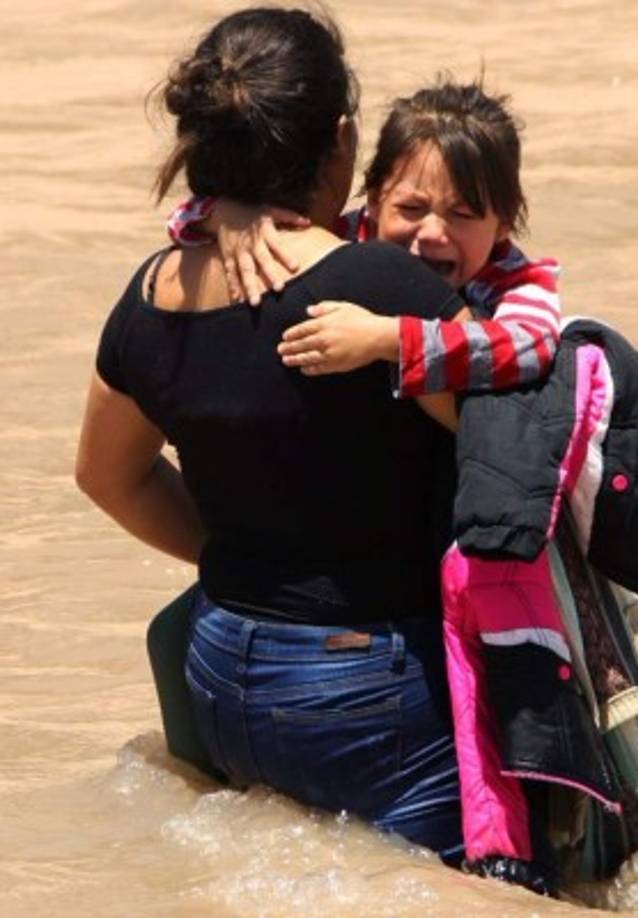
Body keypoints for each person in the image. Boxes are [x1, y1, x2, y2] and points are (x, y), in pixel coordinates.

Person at [75, 6, 467, 863]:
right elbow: (515, 447)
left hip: (218, 676)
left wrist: (252, 559)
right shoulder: (381, 289)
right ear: (341, 139)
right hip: (369, 692)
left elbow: (110, 479)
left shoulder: (149, 296)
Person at [166, 79, 563, 403]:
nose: (431, 232)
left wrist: (386, 339)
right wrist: (227, 217)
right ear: (374, 198)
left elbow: (532, 346)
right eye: (411, 207)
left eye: (462, 215)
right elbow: (180, 225)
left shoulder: (512, 280)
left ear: (504, 225)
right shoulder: (343, 236)